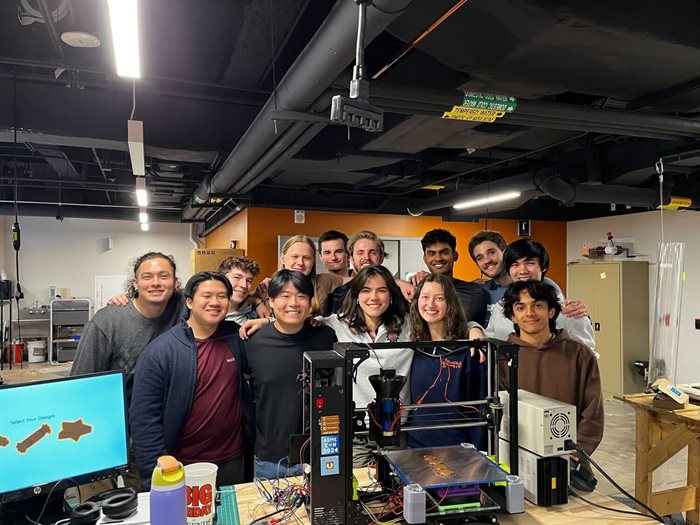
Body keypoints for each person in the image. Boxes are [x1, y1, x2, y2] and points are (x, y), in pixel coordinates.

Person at [70, 251, 185, 493]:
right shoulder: (108, 321)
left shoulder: (183, 308)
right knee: (99, 505)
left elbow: (222, 294)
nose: (155, 282)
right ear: (135, 284)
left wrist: (261, 311)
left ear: (176, 283)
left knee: (149, 500)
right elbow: (80, 384)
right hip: (103, 429)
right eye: (147, 277)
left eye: (164, 276)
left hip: (151, 432)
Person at [130, 272, 254, 488]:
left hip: (233, 460)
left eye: (222, 296)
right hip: (183, 466)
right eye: (207, 296)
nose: (215, 303)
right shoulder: (161, 352)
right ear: (189, 301)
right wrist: (155, 475)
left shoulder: (235, 337)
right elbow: (144, 419)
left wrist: (265, 321)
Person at [501, 279, 603, 489]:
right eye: (520, 307)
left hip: (569, 465)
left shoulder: (579, 355)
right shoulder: (500, 358)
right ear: (512, 315)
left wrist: (574, 457)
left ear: (551, 311)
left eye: (538, 305)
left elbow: (593, 415)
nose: (529, 313)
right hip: (515, 466)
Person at [244, 270, 336, 479]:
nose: (293, 303)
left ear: (310, 302)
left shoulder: (326, 337)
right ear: (271, 302)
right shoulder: (253, 342)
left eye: (301, 296)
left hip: (319, 455)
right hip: (269, 459)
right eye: (285, 296)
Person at [407, 274, 487, 449]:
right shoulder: (414, 348)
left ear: (450, 303)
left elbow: (480, 411)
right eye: (425, 297)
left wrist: (478, 456)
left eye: (439, 298)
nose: (430, 304)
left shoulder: (468, 350)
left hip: (458, 449)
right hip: (415, 445)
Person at [485, 239, 597, 353]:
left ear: (543, 267)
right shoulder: (500, 307)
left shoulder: (569, 310)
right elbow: (490, 344)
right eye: (515, 265)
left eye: (530, 263)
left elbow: (587, 356)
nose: (523, 270)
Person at [468, 230, 585, 323]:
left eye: (492, 252)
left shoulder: (546, 285)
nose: (487, 260)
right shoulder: (479, 290)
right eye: (480, 258)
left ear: (505, 252)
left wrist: (579, 311)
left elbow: (566, 316)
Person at [409, 229, 489, 326]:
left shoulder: (475, 292)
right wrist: (399, 282)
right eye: (431, 254)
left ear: (455, 256)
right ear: (425, 258)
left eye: (444, 252)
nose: (438, 258)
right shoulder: (413, 291)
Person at [255, 235, 347, 317]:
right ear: (282, 258)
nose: (300, 263)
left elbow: (357, 280)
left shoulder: (323, 281)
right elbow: (243, 294)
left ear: (313, 261)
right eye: (295, 256)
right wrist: (256, 301)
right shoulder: (268, 285)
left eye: (306, 258)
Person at [217, 256, 262, 324]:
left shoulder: (258, 315)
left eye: (249, 281)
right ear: (222, 279)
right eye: (237, 277)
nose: (244, 285)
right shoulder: (205, 312)